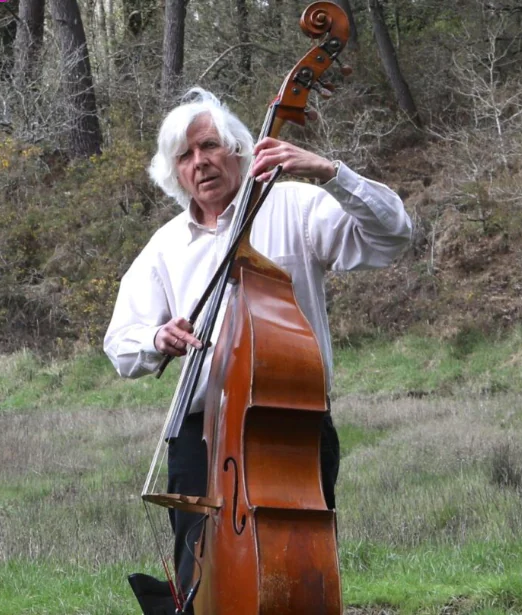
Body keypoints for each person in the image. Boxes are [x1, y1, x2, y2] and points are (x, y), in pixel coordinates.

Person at [104, 88, 412, 613]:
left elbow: (392, 237)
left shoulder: (295, 204)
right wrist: (156, 339)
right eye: (185, 155)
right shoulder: (165, 246)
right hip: (199, 439)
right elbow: (120, 344)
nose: (200, 162)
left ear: (240, 149)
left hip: (288, 430)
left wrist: (331, 172)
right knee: (200, 582)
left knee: (295, 573)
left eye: (209, 146)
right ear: (174, 173)